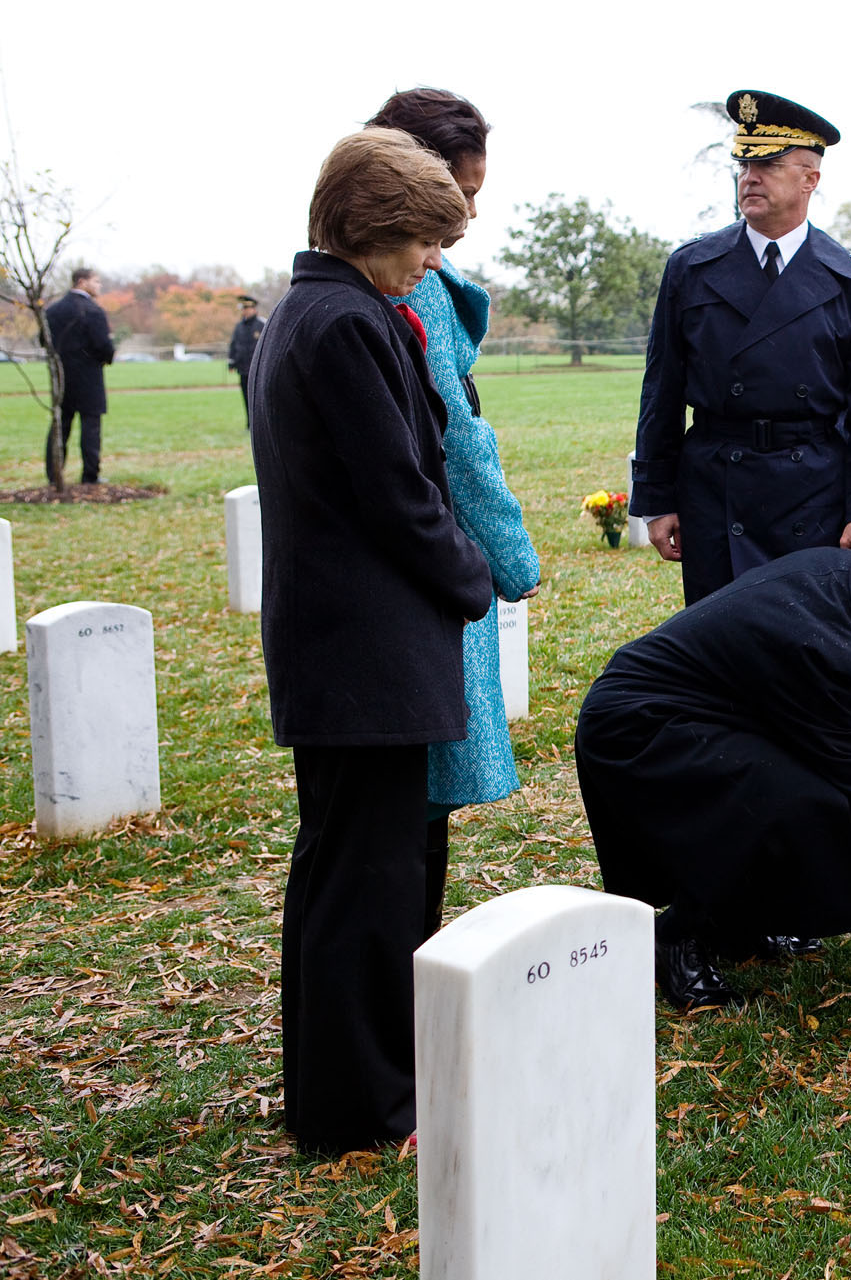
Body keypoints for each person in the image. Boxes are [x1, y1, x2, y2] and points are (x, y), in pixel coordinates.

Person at [249, 127, 492, 1155]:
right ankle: (361, 1108)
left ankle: (336, 1091)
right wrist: (471, 578)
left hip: (344, 649)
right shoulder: (346, 324)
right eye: (421, 241)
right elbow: (400, 493)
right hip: (367, 652)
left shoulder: (311, 312)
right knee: (368, 884)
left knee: (340, 873)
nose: (429, 262)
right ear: (367, 226)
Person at [575, 535, 851, 1010]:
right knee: (792, 799)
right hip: (639, 727)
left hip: (713, 712)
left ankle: (739, 925)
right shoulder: (825, 648)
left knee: (808, 793)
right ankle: (676, 938)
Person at [367, 88, 542, 918]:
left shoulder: (366, 274)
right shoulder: (415, 283)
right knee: (410, 818)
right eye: (461, 193)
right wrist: (512, 561)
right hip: (428, 569)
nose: (470, 215)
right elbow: (461, 442)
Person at [632, 88, 851, 604]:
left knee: (802, 644)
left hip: (812, 495)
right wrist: (656, 497)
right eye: (744, 165)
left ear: (811, 179)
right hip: (718, 490)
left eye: (769, 165)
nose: (749, 178)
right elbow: (662, 392)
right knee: (721, 649)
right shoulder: (692, 269)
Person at [44, 267, 114, 485]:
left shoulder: (52, 311)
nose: (99, 286)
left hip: (61, 376)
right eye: (96, 281)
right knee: (90, 427)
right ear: (82, 282)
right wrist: (106, 357)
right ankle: (90, 475)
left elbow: (43, 340)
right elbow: (103, 345)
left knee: (60, 426)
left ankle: (54, 474)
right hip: (88, 377)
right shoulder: (92, 311)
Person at [227, 295, 266, 430]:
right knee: (246, 397)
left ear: (254, 309)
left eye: (247, 308)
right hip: (243, 368)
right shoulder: (239, 327)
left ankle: (259, 424)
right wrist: (231, 363)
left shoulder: (262, 325)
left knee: (258, 398)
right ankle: (250, 424)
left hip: (258, 370)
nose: (245, 311)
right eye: (243, 308)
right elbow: (234, 345)